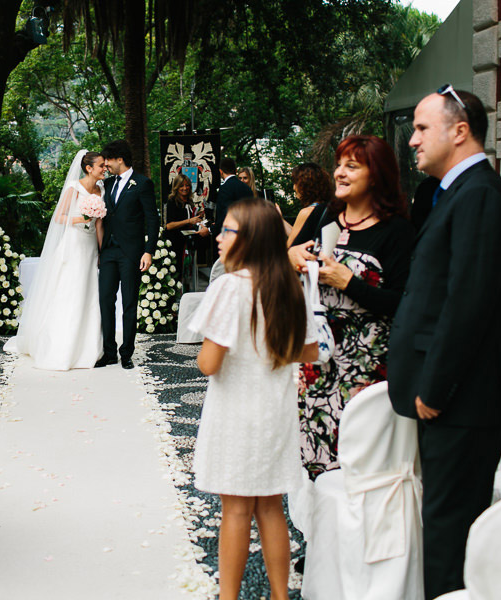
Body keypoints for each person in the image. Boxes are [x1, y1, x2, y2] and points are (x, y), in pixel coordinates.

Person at [387, 87, 501, 599]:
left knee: (450, 533)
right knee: (446, 525)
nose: (412, 139)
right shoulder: (456, 193)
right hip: (454, 401)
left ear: (460, 132)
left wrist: (435, 388)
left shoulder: (479, 194)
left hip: (461, 402)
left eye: (421, 128)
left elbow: (468, 301)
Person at [190, 197, 317, 600]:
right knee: (270, 508)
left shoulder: (230, 287)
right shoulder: (288, 287)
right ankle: (280, 596)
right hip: (275, 412)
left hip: (237, 413)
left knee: (237, 510)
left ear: (251, 239)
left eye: (228, 230)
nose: (221, 237)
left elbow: (209, 363)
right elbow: (309, 352)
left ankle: (229, 597)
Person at [289, 135, 414, 478]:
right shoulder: (326, 218)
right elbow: (292, 254)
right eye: (339, 165)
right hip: (318, 363)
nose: (340, 173)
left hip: (365, 372)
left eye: (352, 166)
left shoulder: (397, 231)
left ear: (376, 176)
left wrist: (349, 282)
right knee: (315, 464)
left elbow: (404, 303)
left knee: (360, 471)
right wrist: (293, 255)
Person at [6, 150, 105, 370]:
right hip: (73, 244)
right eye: (101, 166)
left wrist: (101, 251)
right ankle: (61, 346)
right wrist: (84, 217)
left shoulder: (101, 189)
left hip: (89, 247)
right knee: (69, 292)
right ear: (89, 168)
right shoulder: (74, 188)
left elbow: (99, 225)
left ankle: (88, 346)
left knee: (89, 293)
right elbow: (59, 217)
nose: (104, 169)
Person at [96, 140, 159, 370]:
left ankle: (127, 353)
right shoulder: (107, 184)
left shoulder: (142, 183)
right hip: (109, 252)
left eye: (108, 161)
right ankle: (109, 352)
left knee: (130, 302)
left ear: (119, 159)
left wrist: (148, 251)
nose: (106, 166)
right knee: (105, 300)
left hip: (131, 253)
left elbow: (152, 220)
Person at [164, 174, 203, 282]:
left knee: (185, 272)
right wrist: (189, 220)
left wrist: (197, 215)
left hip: (186, 243)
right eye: (181, 186)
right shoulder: (172, 201)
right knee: (175, 272)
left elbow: (189, 220)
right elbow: (169, 225)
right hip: (174, 244)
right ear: (176, 187)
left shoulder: (189, 202)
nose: (185, 188)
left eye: (187, 185)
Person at [286, 162, 334, 246]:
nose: (294, 187)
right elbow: (298, 234)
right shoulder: (329, 209)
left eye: (296, 183)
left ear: (305, 185)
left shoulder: (307, 212)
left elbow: (290, 245)